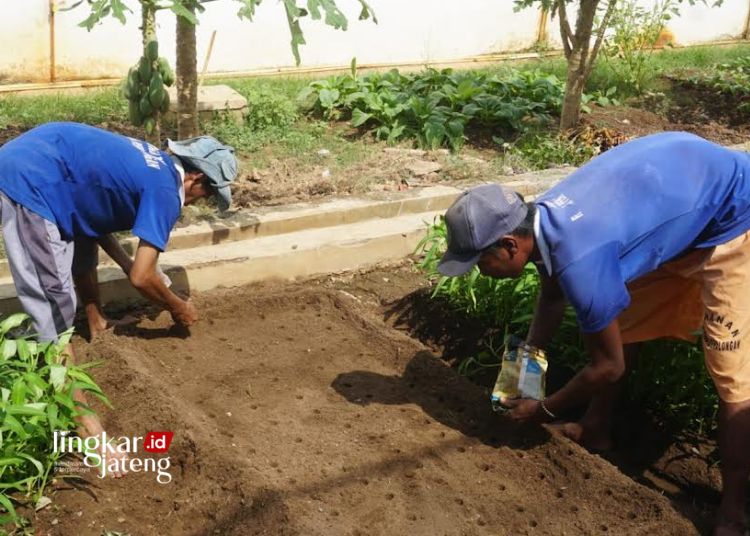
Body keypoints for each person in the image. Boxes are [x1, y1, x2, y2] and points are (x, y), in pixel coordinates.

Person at [437, 132, 750, 536]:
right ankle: (596, 427)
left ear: (510, 245)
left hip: (733, 214)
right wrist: (525, 364)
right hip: (682, 203)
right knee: (625, 323)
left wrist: (543, 408)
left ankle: (734, 510)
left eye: (480, 262)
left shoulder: (580, 260)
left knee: (732, 375)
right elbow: (552, 296)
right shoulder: (542, 219)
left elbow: (608, 367)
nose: (481, 272)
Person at [0, 121, 238, 476]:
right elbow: (143, 277)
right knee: (53, 309)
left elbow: (95, 223)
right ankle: (87, 431)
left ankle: (96, 322)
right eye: (205, 196)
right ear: (196, 179)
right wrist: (178, 306)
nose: (196, 204)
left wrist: (128, 269)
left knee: (80, 243)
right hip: (31, 182)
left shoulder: (152, 162)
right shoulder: (166, 191)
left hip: (44, 166)